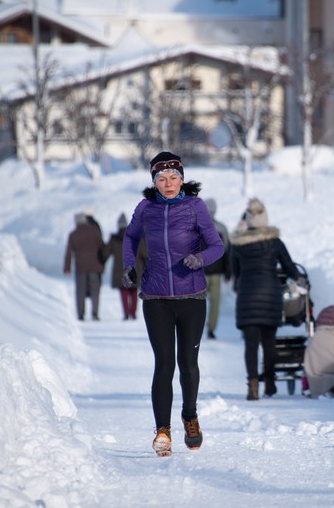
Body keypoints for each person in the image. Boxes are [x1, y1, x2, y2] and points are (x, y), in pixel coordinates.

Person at [121, 151, 224, 457]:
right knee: (163, 364)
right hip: (156, 297)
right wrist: (129, 265)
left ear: (182, 178)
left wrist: (200, 258)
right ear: (154, 181)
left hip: (191, 295)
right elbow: (130, 238)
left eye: (174, 178)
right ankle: (163, 431)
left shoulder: (195, 207)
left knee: (188, 365)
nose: (168, 184)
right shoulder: (146, 208)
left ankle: (190, 416)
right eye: (162, 179)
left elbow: (218, 245)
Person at [230, 197, 305, 401]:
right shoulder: (275, 242)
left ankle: (253, 386)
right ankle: (270, 384)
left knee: (251, 345)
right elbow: (289, 267)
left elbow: (234, 275)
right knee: (269, 344)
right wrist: (300, 279)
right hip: (270, 295)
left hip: (247, 296)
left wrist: (241, 285)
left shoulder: (239, 244)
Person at [104, 213, 147, 320]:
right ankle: (133, 313)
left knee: (124, 292)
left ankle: (127, 313)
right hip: (135, 269)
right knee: (133, 291)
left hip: (120, 270)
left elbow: (106, 253)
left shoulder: (114, 239)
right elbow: (144, 253)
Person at [63, 211, 105, 321]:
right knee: (95, 290)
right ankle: (95, 313)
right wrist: (102, 262)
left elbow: (69, 253)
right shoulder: (95, 231)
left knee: (80, 291)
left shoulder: (73, 234)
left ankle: (80, 314)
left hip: (80, 267)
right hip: (95, 266)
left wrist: (67, 268)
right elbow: (102, 247)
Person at [203, 198, 231, 340]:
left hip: (200, 272)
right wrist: (228, 271)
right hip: (217, 272)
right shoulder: (222, 228)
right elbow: (227, 251)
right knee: (215, 303)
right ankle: (211, 329)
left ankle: (196, 327)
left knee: (198, 302)